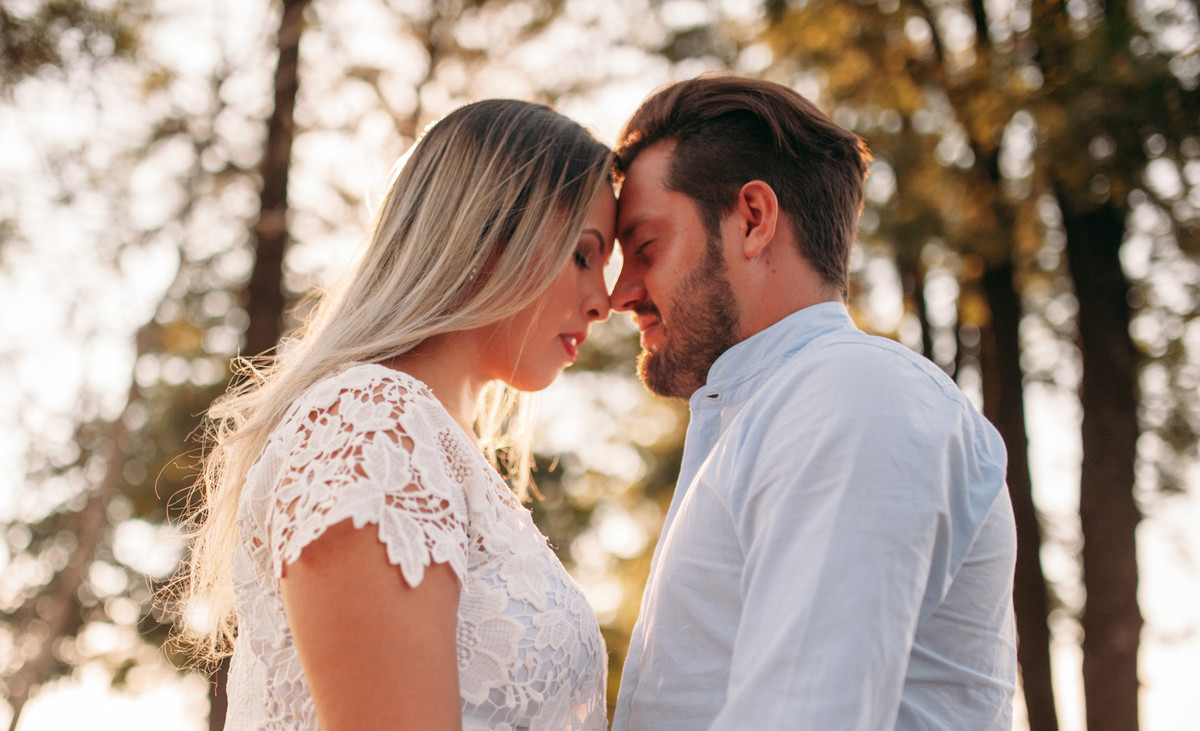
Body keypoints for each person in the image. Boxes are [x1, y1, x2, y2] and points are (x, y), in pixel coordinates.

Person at [177, 99, 616, 730]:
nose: (603, 302)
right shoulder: (373, 422)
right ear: (487, 233)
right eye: (583, 255)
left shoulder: (433, 445)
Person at [608, 74, 1017, 730]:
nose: (620, 293)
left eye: (646, 247)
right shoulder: (777, 410)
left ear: (753, 219)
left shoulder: (852, 395)